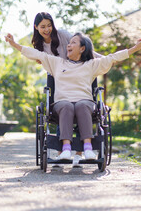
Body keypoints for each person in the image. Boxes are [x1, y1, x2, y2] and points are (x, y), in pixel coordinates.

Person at [5, 32, 141, 160]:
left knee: (82, 104)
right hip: (61, 104)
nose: (68, 45)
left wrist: (135, 48)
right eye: (69, 42)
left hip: (85, 103)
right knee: (66, 105)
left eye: (73, 42)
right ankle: (66, 149)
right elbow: (36, 54)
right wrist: (14, 44)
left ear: (82, 48)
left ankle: (88, 149)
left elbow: (112, 58)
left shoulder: (91, 65)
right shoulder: (57, 63)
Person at [31, 12, 101, 166]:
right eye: (43, 27)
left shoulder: (62, 35)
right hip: (58, 75)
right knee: (64, 107)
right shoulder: (39, 45)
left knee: (81, 105)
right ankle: (61, 151)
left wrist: (101, 59)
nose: (47, 29)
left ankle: (79, 153)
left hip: (77, 70)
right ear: (36, 28)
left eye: (49, 25)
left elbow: (83, 47)